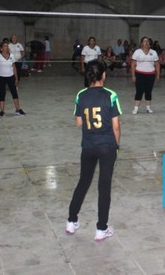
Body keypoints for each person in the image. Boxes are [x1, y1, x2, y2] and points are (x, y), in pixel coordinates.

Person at [67, 61, 121, 241]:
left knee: (83, 182)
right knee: (104, 186)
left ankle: (71, 221)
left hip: (88, 146)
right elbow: (116, 126)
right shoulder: (111, 95)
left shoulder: (81, 95)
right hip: (107, 146)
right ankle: (101, 229)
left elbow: (79, 122)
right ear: (103, 75)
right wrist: (116, 146)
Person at [0, 42, 26, 117]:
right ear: (1, 48)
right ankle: (2, 111)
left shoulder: (12, 56)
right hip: (1, 77)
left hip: (10, 77)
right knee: (2, 94)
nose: (7, 47)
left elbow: (14, 68)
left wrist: (16, 79)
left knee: (14, 93)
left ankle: (18, 110)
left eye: (7, 46)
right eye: (5, 46)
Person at [130, 36, 160, 114]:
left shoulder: (153, 52)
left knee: (148, 91)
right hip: (139, 74)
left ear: (150, 43)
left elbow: (157, 64)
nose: (146, 42)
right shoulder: (137, 52)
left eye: (147, 41)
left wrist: (158, 75)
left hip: (151, 74)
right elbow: (133, 64)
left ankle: (148, 107)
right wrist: (133, 75)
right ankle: (136, 108)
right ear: (141, 43)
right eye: (144, 41)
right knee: (139, 91)